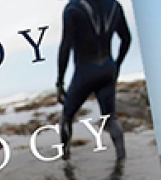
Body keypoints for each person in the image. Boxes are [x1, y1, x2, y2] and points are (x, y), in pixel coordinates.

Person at [56, 0, 131, 161]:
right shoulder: (114, 5)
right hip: (107, 69)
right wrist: (116, 65)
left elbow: (65, 46)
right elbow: (126, 39)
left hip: (85, 72)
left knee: (67, 117)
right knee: (111, 119)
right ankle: (121, 160)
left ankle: (65, 161)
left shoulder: (73, 8)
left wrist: (60, 82)